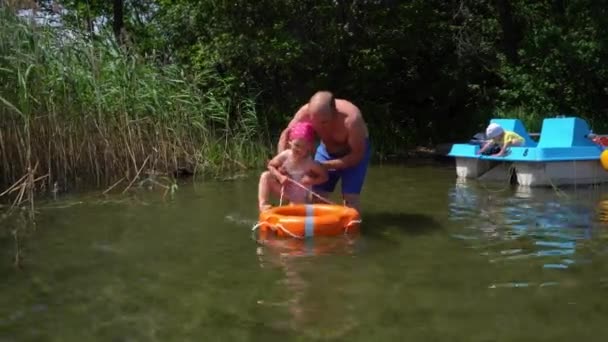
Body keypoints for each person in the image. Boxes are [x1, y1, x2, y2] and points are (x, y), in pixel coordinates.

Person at [277, 91, 371, 212]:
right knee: (316, 196)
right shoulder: (305, 113)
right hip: (326, 151)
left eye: (324, 122)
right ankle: (317, 229)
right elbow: (285, 135)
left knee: (350, 199)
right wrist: (284, 164)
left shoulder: (352, 120)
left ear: (335, 113)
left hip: (353, 153)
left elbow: (356, 156)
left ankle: (353, 229)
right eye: (314, 121)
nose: (319, 127)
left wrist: (324, 165)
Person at [258, 121, 328, 212]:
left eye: (303, 147)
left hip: (301, 197)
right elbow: (270, 165)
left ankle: (293, 205)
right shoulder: (285, 155)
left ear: (308, 149)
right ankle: (263, 205)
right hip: (286, 191)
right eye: (296, 145)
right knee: (265, 176)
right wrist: (280, 177)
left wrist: (311, 180)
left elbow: (324, 177)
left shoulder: (310, 163)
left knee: (295, 208)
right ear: (290, 142)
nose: (298, 150)